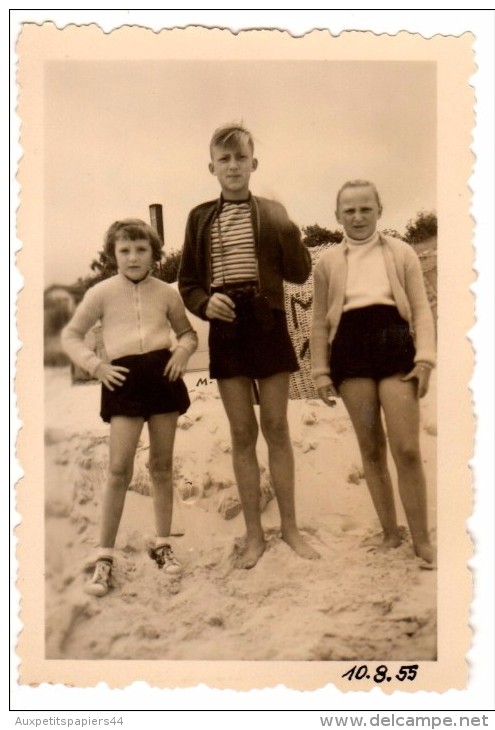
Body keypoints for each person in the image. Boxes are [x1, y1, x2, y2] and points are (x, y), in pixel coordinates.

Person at [178, 123, 320, 568]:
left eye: (241, 158)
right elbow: (187, 283)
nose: (233, 166)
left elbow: (299, 272)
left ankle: (291, 530)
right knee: (243, 433)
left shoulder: (272, 211)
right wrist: (204, 303)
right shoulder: (200, 217)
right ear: (212, 167)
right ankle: (254, 536)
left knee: (277, 427)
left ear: (253, 164)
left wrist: (289, 225)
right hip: (227, 326)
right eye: (225, 159)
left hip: (268, 319)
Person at [62, 218, 198, 596]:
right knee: (119, 469)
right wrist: (97, 366)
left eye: (141, 250)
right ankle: (104, 556)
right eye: (125, 250)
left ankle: (163, 544)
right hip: (122, 380)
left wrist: (183, 353)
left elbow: (187, 333)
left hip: (162, 377)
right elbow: (71, 336)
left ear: (154, 254)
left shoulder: (167, 294)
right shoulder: (100, 293)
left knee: (161, 466)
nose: (133, 257)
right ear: (113, 255)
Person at [311, 180, 436, 567]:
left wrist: (425, 358)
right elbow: (317, 323)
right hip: (350, 350)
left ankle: (421, 540)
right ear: (337, 216)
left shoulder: (400, 253)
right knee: (371, 449)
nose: (358, 216)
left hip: (394, 344)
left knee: (407, 449)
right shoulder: (327, 263)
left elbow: (421, 308)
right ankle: (389, 534)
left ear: (379, 210)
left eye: (366, 208)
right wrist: (320, 371)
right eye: (349, 210)